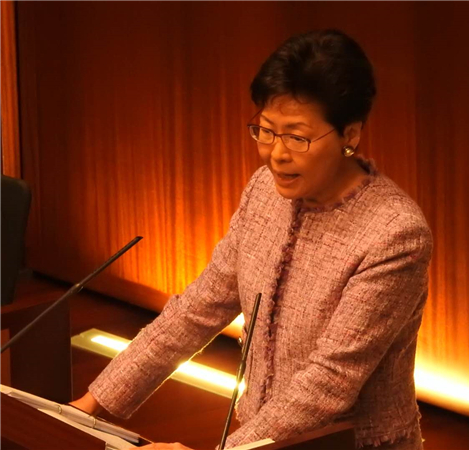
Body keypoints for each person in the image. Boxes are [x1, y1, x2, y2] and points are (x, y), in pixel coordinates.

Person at [71, 29, 433, 450]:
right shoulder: (264, 191)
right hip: (258, 438)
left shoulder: (395, 234)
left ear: (349, 135)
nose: (276, 153)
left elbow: (330, 381)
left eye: (297, 137)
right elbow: (198, 308)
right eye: (266, 131)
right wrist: (88, 406)